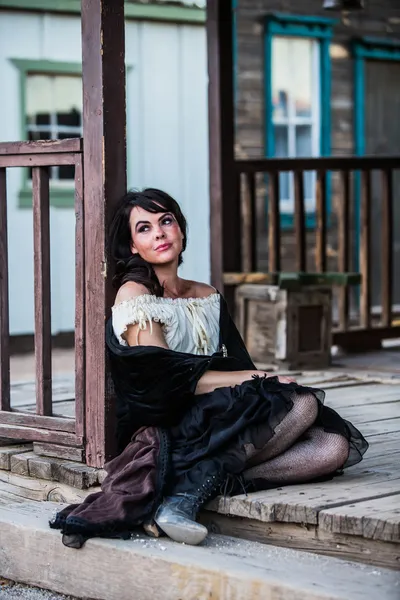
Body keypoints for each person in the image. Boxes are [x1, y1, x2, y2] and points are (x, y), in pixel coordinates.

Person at [51, 188, 368, 548]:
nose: (159, 233)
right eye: (144, 228)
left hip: (216, 411)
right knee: (303, 403)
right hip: (170, 422)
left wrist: (257, 384)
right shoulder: (135, 295)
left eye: (166, 221)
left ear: (181, 231)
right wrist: (258, 378)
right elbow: (163, 380)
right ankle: (184, 491)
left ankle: (188, 490)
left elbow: (235, 360)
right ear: (133, 246)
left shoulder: (206, 294)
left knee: (331, 447)